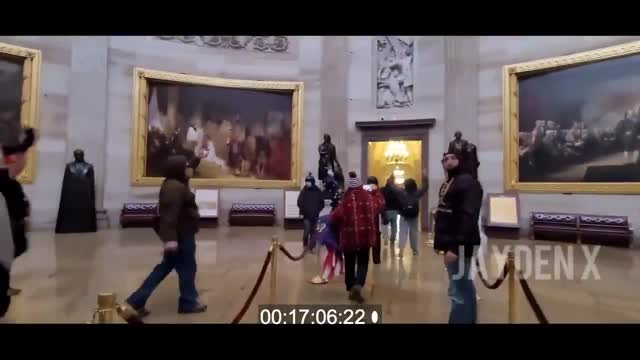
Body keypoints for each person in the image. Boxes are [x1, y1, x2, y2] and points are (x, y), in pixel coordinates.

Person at [126, 155, 207, 316]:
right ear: (178, 170)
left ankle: (135, 301)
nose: (188, 169)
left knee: (165, 268)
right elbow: (169, 216)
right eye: (185, 167)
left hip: (181, 234)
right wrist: (170, 240)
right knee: (187, 269)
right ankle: (188, 302)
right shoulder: (174, 188)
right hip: (180, 235)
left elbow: (189, 167)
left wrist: (198, 158)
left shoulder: (176, 182)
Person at [433, 152, 483, 324]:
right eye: (445, 159)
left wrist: (455, 247)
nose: (448, 161)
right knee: (457, 287)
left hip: (460, 244)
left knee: (460, 290)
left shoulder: (468, 182)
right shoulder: (450, 182)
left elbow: (469, 216)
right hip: (452, 243)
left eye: (453, 158)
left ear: (461, 160)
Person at [330, 171, 384, 303]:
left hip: (349, 238)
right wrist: (376, 191)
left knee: (349, 263)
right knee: (363, 263)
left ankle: (350, 286)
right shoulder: (369, 198)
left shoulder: (346, 200)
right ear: (361, 186)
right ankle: (358, 285)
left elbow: (335, 217)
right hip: (365, 237)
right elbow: (380, 203)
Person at [0, 128, 36, 297]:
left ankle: (4, 285)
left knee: (13, 248)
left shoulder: (10, 181)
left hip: (13, 218)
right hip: (8, 219)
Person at [392, 169, 428, 257]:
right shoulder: (417, 192)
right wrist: (425, 177)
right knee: (414, 232)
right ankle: (415, 250)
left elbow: (392, 187)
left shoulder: (401, 192)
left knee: (402, 232)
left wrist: (392, 176)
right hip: (414, 215)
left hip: (404, 215)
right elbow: (425, 187)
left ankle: (401, 249)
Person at [297, 173, 325, 249]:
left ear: (312, 182)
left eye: (309, 181)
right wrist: (301, 212)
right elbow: (299, 202)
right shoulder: (304, 191)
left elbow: (322, 203)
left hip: (315, 216)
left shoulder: (318, 191)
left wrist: (317, 210)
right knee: (306, 231)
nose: (307, 183)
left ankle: (311, 247)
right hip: (306, 216)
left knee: (314, 232)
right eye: (306, 181)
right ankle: (305, 245)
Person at [365, 176, 383, 265]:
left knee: (365, 239)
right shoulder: (378, 192)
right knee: (376, 238)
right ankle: (376, 259)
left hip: (365, 220)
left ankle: (365, 259)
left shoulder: (363, 191)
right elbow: (381, 204)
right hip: (375, 220)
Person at [380, 175, 401, 245]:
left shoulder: (382, 189)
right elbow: (399, 200)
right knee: (394, 225)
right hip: (394, 210)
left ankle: (385, 238)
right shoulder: (396, 190)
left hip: (386, 210)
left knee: (385, 224)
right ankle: (393, 238)